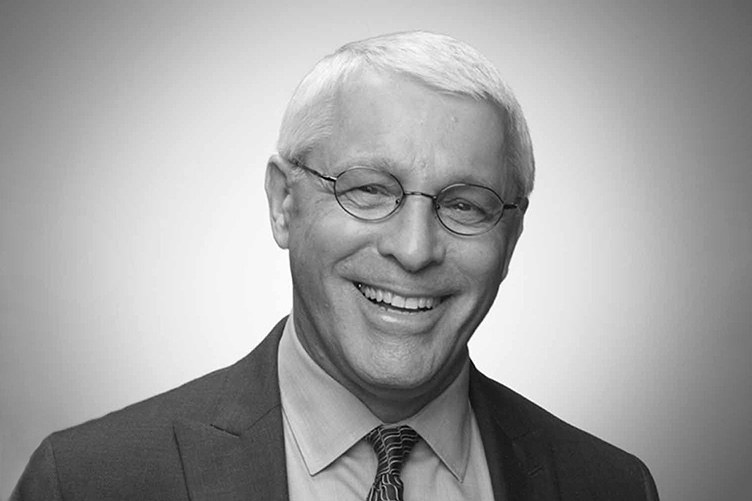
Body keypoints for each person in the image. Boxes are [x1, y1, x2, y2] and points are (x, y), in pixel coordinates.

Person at [12, 31, 658, 500]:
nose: (414, 249)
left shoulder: (609, 485)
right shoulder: (88, 481)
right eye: (369, 189)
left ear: (511, 235)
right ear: (283, 203)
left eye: (464, 204)